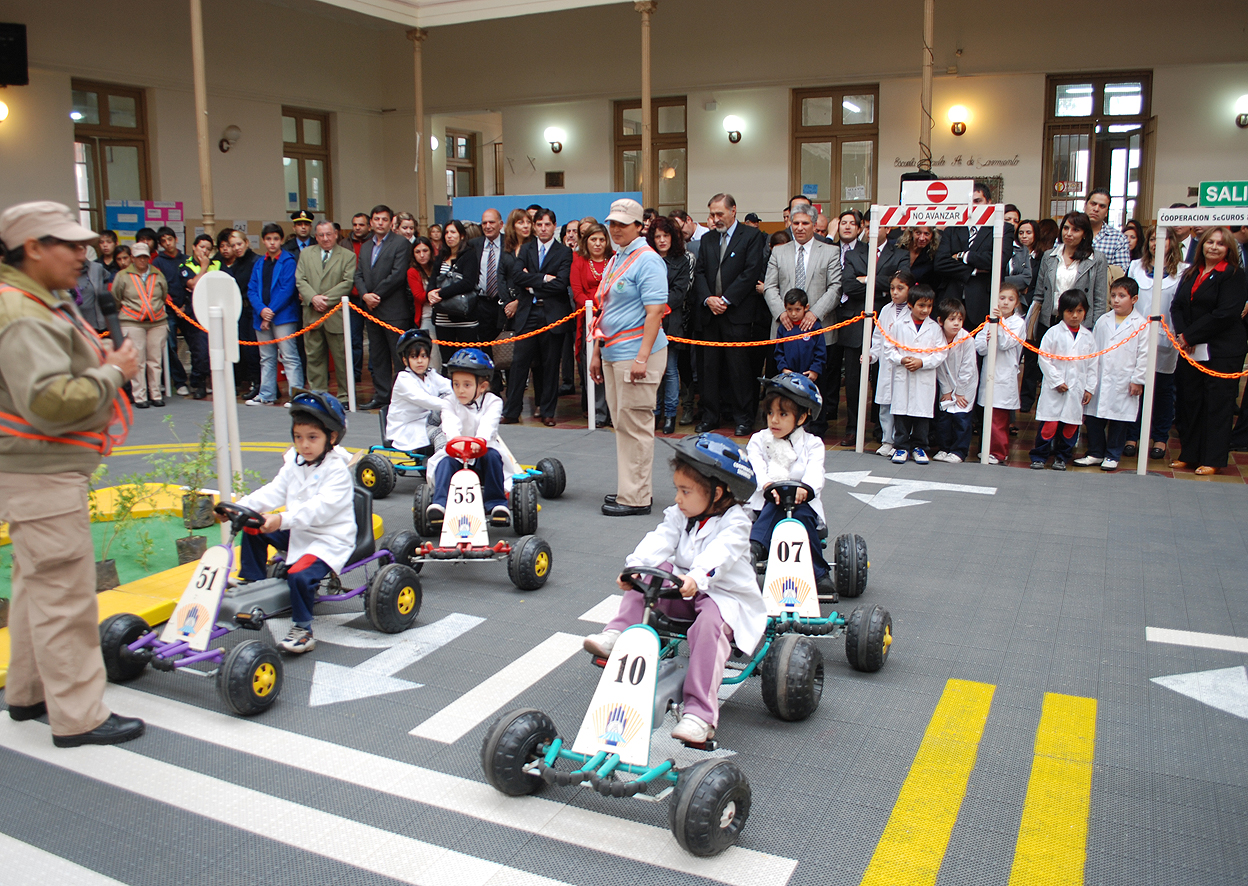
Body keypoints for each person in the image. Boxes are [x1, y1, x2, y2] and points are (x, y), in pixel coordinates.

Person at [0, 200, 144, 747]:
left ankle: (29, 692)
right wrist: (113, 371)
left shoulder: (40, 300)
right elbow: (48, 402)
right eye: (70, 244)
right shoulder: (22, 312)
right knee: (65, 593)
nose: (84, 255)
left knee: (38, 586)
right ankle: (79, 716)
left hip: (39, 469)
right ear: (32, 248)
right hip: (41, 471)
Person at [582, 433, 764, 745]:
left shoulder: (736, 522)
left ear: (717, 492)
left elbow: (719, 556)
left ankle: (700, 714)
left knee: (709, 624)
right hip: (683, 592)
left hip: (722, 597)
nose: (677, 498)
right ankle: (618, 633)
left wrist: (696, 576)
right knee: (654, 572)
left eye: (685, 491)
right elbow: (660, 538)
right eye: (677, 489)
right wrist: (635, 566)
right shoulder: (682, 514)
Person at [232, 391, 355, 654]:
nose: (304, 445)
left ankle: (302, 629)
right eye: (299, 438)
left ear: (331, 437)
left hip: (327, 540)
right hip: (298, 532)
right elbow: (273, 491)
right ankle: (253, 583)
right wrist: (242, 507)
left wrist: (281, 519)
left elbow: (318, 511)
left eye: (312, 438)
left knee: (298, 575)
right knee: (252, 525)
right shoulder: (296, 464)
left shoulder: (337, 473)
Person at [590, 199, 670, 517]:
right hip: (613, 353)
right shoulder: (616, 259)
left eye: (623, 224)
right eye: (612, 223)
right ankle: (630, 489)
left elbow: (655, 313)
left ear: (639, 226)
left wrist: (641, 357)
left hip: (637, 355)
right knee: (623, 425)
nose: (615, 229)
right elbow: (604, 310)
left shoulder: (648, 260)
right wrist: (596, 352)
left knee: (636, 424)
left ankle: (637, 497)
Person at [1169, 227, 1248, 475]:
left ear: (1228, 249)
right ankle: (1190, 454)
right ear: (1202, 244)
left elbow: (1225, 313)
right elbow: (1177, 306)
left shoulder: (1234, 274)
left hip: (1222, 349)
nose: (1213, 247)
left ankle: (1212, 458)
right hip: (1191, 348)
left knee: (1217, 404)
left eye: (1220, 244)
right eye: (1209, 242)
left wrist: (1191, 335)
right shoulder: (1192, 272)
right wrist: (1184, 336)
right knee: (1190, 401)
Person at [746, 376, 833, 596]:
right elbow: (756, 467)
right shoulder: (758, 440)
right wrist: (767, 484)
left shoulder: (812, 444)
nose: (774, 420)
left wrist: (806, 488)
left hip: (801, 504)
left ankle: (819, 573)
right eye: (770, 413)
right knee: (774, 504)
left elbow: (816, 472)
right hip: (764, 505)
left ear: (802, 417)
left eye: (783, 414)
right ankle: (754, 549)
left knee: (801, 515)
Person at [691, 193, 769, 436]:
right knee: (709, 369)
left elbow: (750, 272)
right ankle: (710, 416)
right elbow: (700, 273)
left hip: (737, 314)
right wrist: (708, 299)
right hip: (710, 315)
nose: (715, 219)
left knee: (739, 370)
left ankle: (743, 418)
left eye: (719, 214)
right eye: (712, 215)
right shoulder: (707, 239)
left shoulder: (752, 236)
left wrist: (725, 299)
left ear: (733, 211)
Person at [763, 202, 842, 435]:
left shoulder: (829, 251)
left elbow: (835, 287)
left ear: (814, 225)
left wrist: (814, 313)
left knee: (817, 383)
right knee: (784, 383)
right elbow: (770, 287)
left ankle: (816, 426)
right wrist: (781, 313)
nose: (799, 228)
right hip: (785, 328)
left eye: (805, 223)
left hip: (818, 329)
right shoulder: (779, 251)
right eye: (795, 223)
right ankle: (785, 425)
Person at [1021, 211, 1107, 411]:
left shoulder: (1096, 259)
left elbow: (1100, 298)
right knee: (1045, 365)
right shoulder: (1050, 255)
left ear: (1084, 233)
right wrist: (1033, 319)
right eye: (1066, 228)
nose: (1069, 233)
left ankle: (1071, 417)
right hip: (1050, 319)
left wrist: (1094, 327)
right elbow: (1040, 292)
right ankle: (1037, 409)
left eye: (1075, 229)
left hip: (1080, 321)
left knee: (1074, 370)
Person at [425, 348, 508, 523]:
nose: (460, 390)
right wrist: (455, 440)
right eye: (456, 384)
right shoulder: (449, 401)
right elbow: (449, 421)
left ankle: (496, 503)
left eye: (467, 385)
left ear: (482, 386)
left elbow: (489, 423)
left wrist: (480, 440)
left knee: (493, 457)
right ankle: (440, 503)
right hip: (457, 452)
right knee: (444, 462)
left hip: (482, 453)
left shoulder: (493, 402)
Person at [506, 209, 572, 426]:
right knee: (519, 363)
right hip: (528, 314)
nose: (543, 228)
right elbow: (516, 276)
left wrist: (531, 284)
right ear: (535, 227)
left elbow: (561, 284)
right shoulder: (525, 249)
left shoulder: (564, 252)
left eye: (547, 224)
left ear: (554, 226)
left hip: (552, 314)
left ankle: (548, 411)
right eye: (539, 224)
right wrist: (543, 278)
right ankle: (512, 411)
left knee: (550, 365)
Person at [1075, 277, 1148, 471]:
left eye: (1122, 296)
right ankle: (1095, 452)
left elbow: (1144, 354)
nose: (1116, 300)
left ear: (1134, 299)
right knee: (1094, 417)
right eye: (1114, 295)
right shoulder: (1103, 320)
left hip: (1124, 379)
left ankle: (1113, 454)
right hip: (1100, 376)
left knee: (1119, 418)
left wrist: (1138, 380)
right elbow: (1094, 348)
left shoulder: (1141, 324)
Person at [1125, 226, 1185, 460]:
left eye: (1163, 239)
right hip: (1138, 336)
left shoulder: (1182, 270)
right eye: (1152, 239)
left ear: (1172, 242)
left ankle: (1159, 437)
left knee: (1162, 390)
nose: (1156, 243)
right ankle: (1132, 435)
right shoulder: (1136, 266)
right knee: (1136, 388)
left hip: (1166, 338)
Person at [1030, 289, 1097, 470]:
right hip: (1055, 389)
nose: (1075, 316)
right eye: (1070, 311)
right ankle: (1040, 456)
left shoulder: (1088, 337)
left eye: (1079, 311)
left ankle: (1062, 457)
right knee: (1049, 425)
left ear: (1085, 312)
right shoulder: (1053, 333)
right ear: (1061, 312)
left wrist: (1089, 388)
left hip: (1076, 389)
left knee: (1070, 425)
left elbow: (1092, 365)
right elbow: (1044, 359)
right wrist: (1057, 380)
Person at [934, 182, 1015, 331]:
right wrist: (974, 271)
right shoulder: (952, 228)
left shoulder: (1003, 228)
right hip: (952, 300)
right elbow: (940, 263)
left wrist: (963, 256)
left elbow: (999, 259)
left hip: (982, 302)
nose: (973, 206)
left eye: (978, 201)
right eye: (969, 203)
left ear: (989, 203)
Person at [354, 205, 412, 410]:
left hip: (393, 310)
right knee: (377, 356)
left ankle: (401, 398)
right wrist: (364, 295)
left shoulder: (401, 244)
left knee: (399, 357)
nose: (380, 223)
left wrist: (375, 295)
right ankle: (381, 395)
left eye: (384, 219)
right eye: (376, 219)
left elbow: (397, 274)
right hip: (371, 310)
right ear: (371, 222)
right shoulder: (367, 246)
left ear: (391, 222)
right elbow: (359, 274)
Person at [885, 283, 946, 465]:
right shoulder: (898, 325)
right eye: (921, 305)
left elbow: (941, 352)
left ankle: (920, 446)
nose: (925, 310)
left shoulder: (934, 328)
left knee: (922, 415)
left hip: (924, 376)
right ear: (910, 305)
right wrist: (902, 360)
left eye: (929, 306)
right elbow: (889, 349)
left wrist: (923, 362)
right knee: (901, 414)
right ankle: (901, 446)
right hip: (903, 374)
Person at [296, 219, 356, 398]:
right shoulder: (306, 254)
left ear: (336, 234)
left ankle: (345, 395)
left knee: (341, 358)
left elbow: (347, 283)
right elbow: (300, 279)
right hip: (312, 313)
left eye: (329, 234)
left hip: (335, 314)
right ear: (316, 236)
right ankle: (318, 393)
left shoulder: (347, 255)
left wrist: (325, 300)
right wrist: (313, 298)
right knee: (314, 357)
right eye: (321, 235)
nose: (325, 238)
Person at [246, 223, 303, 405]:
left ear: (281, 240)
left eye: (276, 239)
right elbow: (252, 289)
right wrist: (261, 310)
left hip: (283, 316)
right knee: (266, 358)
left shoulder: (288, 260)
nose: (272, 243)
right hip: (261, 315)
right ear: (263, 241)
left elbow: (287, 289)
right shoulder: (259, 263)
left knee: (289, 356)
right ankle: (267, 395)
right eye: (268, 239)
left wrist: (269, 312)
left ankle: (296, 396)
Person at [827, 209, 870, 445]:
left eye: (851, 224)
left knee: (853, 376)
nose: (846, 227)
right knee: (828, 370)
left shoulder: (865, 251)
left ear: (860, 227)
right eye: (842, 223)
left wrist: (859, 282)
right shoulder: (828, 248)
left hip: (855, 315)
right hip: (830, 315)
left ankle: (853, 426)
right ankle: (826, 415)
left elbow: (855, 286)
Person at [648, 215, 692, 435]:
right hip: (647, 320)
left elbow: (678, 293)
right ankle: (654, 412)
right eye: (657, 236)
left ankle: (670, 415)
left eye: (665, 235)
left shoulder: (682, 261)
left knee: (671, 370)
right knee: (652, 370)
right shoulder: (646, 258)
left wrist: (657, 305)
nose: (662, 240)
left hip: (670, 319)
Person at [111, 241, 168, 408]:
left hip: (157, 321)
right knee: (138, 360)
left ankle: (156, 394)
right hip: (132, 321)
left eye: (145, 257)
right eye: (138, 257)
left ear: (149, 257)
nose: (142, 260)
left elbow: (163, 295)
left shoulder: (158, 274)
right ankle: (140, 396)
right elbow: (116, 296)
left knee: (155, 360)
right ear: (132, 258)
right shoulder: (122, 276)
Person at [154, 226, 208, 400]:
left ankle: (197, 381)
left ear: (176, 239)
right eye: (163, 241)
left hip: (187, 309)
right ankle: (179, 381)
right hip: (168, 309)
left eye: (169, 239)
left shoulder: (186, 260)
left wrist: (184, 305)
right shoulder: (158, 262)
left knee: (196, 346)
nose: (167, 243)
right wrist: (171, 304)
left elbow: (189, 289)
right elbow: (159, 285)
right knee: (170, 345)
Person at [975, 283, 1026, 464]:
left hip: (1005, 374)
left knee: (999, 418)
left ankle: (999, 452)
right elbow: (980, 346)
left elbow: (1006, 344)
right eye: (1002, 298)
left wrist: (998, 327)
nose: (1005, 303)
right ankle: (987, 448)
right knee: (988, 414)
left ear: (1016, 303)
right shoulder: (989, 320)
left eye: (1010, 299)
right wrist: (988, 338)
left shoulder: (1018, 323)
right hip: (990, 372)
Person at [571, 221, 613, 425]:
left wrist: (607, 307)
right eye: (593, 239)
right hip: (588, 319)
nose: (597, 244)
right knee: (592, 367)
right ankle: (598, 413)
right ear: (585, 242)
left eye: (601, 239)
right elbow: (577, 293)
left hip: (613, 318)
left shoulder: (615, 260)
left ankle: (614, 413)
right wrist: (594, 307)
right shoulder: (579, 261)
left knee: (612, 365)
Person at [386, 329, 451, 455]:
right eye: (414, 357)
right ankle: (441, 466)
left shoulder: (430, 374)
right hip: (408, 427)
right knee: (440, 435)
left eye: (423, 356)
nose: (420, 361)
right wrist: (452, 404)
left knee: (449, 397)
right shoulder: (403, 379)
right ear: (405, 361)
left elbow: (450, 387)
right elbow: (425, 400)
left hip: (426, 420)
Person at [871, 270, 914, 458]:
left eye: (900, 288)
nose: (895, 292)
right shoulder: (885, 310)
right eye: (892, 288)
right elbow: (878, 336)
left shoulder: (913, 311)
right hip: (887, 364)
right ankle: (887, 440)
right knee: (885, 404)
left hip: (904, 364)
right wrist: (872, 354)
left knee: (903, 404)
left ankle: (902, 440)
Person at [933, 298, 977, 463]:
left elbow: (968, 368)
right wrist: (947, 390)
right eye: (951, 319)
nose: (956, 323)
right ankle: (944, 448)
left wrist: (959, 391)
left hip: (964, 387)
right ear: (940, 321)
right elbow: (939, 366)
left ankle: (959, 451)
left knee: (961, 418)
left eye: (959, 319)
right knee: (944, 419)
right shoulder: (937, 339)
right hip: (948, 386)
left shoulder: (967, 340)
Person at [222, 229, 261, 399]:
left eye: (239, 244)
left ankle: (260, 384)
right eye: (233, 245)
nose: (236, 248)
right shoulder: (234, 266)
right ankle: (252, 381)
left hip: (255, 309)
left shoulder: (257, 261)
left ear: (247, 243)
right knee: (245, 349)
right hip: (240, 311)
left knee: (256, 350)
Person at [773, 288, 826, 383]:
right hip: (788, 375)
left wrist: (815, 370)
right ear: (785, 307)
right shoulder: (783, 328)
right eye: (790, 309)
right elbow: (778, 352)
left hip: (809, 375)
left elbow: (820, 351)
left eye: (798, 310)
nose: (793, 314)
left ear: (806, 307)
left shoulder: (814, 327)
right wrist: (783, 369)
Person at [345, 212, 371, 383]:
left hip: (371, 298)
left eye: (361, 225)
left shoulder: (374, 243)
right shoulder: (344, 244)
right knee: (354, 339)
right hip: (351, 298)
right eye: (355, 224)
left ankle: (374, 372)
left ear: (368, 226)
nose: (357, 228)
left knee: (375, 340)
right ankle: (354, 374)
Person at [407, 236, 440, 362]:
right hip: (427, 315)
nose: (422, 255)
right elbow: (419, 296)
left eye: (425, 251)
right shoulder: (412, 271)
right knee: (432, 354)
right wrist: (433, 294)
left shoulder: (437, 266)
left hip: (445, 314)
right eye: (417, 252)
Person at [1085, 188, 1131, 270]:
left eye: (1102, 206)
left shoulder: (1118, 239)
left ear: (1107, 212)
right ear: (1085, 206)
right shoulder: (1069, 233)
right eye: (1093, 204)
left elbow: (1121, 272)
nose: (1096, 209)